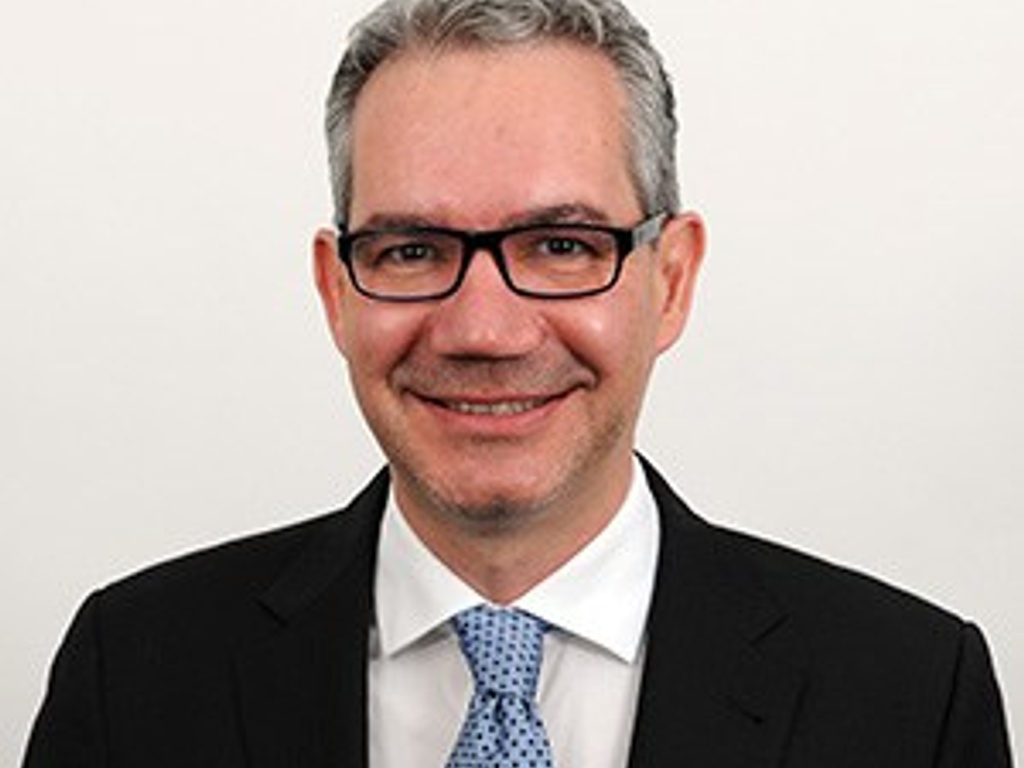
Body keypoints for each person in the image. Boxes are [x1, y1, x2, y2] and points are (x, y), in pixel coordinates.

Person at [22, 0, 1013, 766]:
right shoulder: (136, 675)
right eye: (411, 248)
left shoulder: (908, 696)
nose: (484, 330)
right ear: (335, 290)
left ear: (670, 282)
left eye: (561, 244)